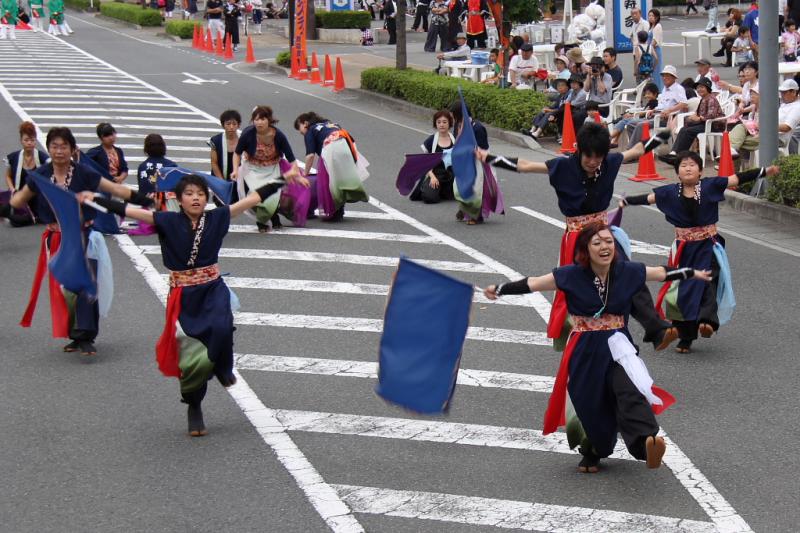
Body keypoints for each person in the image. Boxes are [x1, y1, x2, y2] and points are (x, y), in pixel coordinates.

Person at [484, 223, 708, 472]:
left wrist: (692, 273)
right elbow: (534, 283)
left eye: (609, 241)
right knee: (590, 403)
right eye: (597, 243)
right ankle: (593, 452)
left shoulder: (627, 271)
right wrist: (500, 290)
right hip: (585, 348)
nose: (605, 247)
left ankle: (647, 443)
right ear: (585, 249)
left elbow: (660, 273)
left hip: (618, 345)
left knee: (630, 390)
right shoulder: (570, 275)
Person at [82, 175, 288, 436]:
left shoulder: (216, 217)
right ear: (179, 200)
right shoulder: (167, 221)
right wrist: (96, 199)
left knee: (222, 327)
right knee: (191, 357)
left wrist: (283, 180)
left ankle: (222, 365)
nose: (195, 198)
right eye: (189, 194)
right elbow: (130, 211)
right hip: (184, 295)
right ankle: (194, 404)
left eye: (200, 194)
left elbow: (250, 200)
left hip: (213, 288)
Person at [478, 123, 678, 351]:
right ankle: (579, 336)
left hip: (602, 233)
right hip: (577, 239)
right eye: (588, 157)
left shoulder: (609, 163)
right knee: (580, 286)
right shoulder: (563, 167)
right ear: (580, 151)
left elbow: (636, 151)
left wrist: (660, 136)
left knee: (626, 274)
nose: (593, 162)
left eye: (598, 157)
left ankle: (655, 329)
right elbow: (525, 165)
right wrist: (490, 158)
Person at [2, 127, 153, 357]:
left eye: (64, 146)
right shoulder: (41, 175)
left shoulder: (84, 173)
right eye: (54, 146)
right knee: (67, 290)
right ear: (48, 149)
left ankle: (86, 337)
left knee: (86, 285)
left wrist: (145, 200)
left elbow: (114, 188)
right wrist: (5, 210)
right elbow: (19, 198)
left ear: (72, 149)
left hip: (83, 236)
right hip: (56, 238)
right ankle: (75, 334)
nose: (59, 151)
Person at [621, 153, 778, 353]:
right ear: (677, 172)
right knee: (682, 289)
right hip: (683, 249)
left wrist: (764, 171)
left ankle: (707, 322)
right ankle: (685, 337)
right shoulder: (669, 192)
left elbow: (736, 178)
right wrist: (627, 201)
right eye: (683, 165)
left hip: (708, 245)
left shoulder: (710, 186)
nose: (688, 168)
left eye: (692, 165)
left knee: (708, 281)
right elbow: (649, 198)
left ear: (701, 171)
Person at [232, 106, 306, 232]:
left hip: (272, 169)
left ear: (269, 120)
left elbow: (290, 157)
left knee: (272, 198)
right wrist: (235, 170)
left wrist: (297, 175)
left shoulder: (278, 135)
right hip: (253, 169)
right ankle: (261, 222)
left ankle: (273, 217)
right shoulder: (248, 134)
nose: (259, 122)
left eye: (262, 119)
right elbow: (237, 153)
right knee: (256, 197)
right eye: (256, 119)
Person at [294, 111, 369, 222]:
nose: (301, 133)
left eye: (299, 129)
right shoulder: (329, 124)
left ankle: (333, 212)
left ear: (305, 123)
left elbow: (310, 155)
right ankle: (339, 211)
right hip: (346, 145)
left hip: (331, 149)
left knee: (327, 183)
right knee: (341, 181)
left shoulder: (310, 130)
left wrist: (305, 174)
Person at [658, 77, 724, 163]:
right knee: (684, 129)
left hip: (714, 125)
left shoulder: (711, 99)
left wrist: (699, 118)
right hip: (705, 123)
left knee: (688, 131)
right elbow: (697, 113)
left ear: (708, 88)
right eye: (698, 88)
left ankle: (679, 155)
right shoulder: (703, 99)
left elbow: (712, 115)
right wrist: (691, 118)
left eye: (702, 87)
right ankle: (674, 153)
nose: (699, 89)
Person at [626, 65, 688, 148]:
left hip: (668, 119)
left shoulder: (678, 88)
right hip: (657, 115)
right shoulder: (665, 89)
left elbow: (684, 104)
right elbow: (662, 105)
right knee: (630, 124)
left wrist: (669, 110)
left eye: (667, 75)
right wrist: (654, 110)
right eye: (663, 76)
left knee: (640, 125)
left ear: (674, 77)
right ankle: (637, 149)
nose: (664, 78)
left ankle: (632, 150)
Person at [2, 121, 49, 226]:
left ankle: (32, 217)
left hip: (37, 197)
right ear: (21, 141)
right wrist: (12, 189)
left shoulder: (42, 157)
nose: (29, 143)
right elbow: (8, 176)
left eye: (32, 140)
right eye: (26, 140)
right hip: (20, 196)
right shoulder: (14, 157)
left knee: (18, 220)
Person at [410, 110, 455, 204]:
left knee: (465, 194)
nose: (441, 125)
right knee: (429, 198)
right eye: (439, 122)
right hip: (435, 174)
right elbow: (425, 163)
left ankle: (444, 191)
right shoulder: (431, 140)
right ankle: (435, 189)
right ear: (436, 124)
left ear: (449, 123)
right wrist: (432, 177)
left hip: (451, 175)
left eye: (444, 122)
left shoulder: (455, 139)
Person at [609, 82, 659, 149]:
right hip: (640, 118)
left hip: (644, 119)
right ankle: (614, 140)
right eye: (646, 94)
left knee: (624, 121)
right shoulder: (650, 102)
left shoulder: (654, 102)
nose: (646, 95)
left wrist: (632, 115)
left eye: (649, 93)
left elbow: (646, 112)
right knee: (623, 120)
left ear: (655, 94)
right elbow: (643, 111)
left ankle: (610, 138)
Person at [136, 133, 177, 212]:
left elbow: (142, 188)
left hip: (147, 205)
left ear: (146, 149)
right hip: (167, 206)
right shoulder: (171, 166)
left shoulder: (142, 167)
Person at [209, 109, 241, 201]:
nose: (231, 127)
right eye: (228, 124)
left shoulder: (244, 139)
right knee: (220, 202)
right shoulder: (216, 140)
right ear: (223, 125)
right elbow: (214, 163)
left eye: (234, 124)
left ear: (238, 125)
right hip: (220, 177)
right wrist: (222, 181)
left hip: (239, 179)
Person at [647, 9, 664, 90]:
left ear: (657, 17)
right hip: (651, 50)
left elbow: (654, 41)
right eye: (649, 15)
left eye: (652, 16)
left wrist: (646, 50)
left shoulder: (658, 26)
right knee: (652, 72)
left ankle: (658, 90)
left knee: (656, 71)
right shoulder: (651, 26)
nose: (650, 17)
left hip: (655, 51)